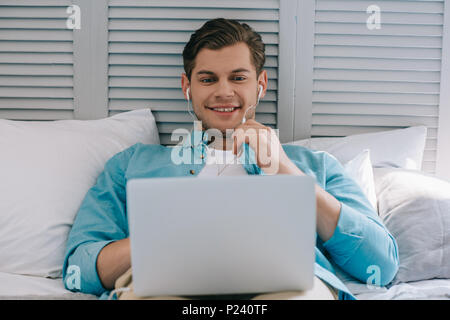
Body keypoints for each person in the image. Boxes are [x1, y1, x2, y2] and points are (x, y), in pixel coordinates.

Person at [63, 18, 399, 300]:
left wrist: (287, 173)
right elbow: (78, 270)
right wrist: (164, 239)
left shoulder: (315, 166)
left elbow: (381, 266)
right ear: (187, 87)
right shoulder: (132, 165)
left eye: (238, 78)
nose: (224, 92)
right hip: (169, 289)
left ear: (260, 85)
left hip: (285, 291)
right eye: (208, 79)